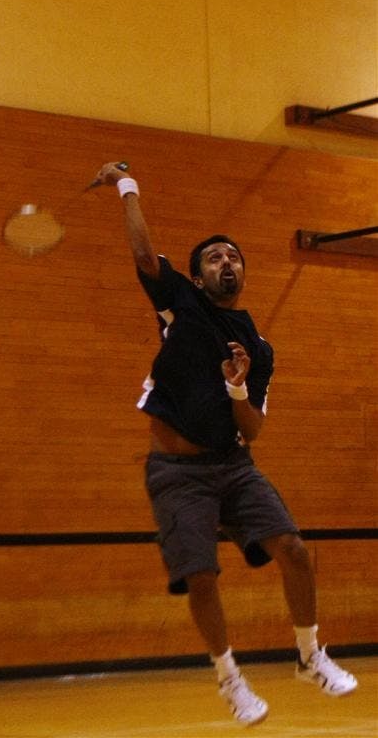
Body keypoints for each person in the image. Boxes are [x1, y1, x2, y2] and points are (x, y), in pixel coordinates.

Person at [94, 162, 358, 727]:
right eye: (213, 258)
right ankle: (229, 678)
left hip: (233, 465)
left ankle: (309, 656)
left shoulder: (258, 349)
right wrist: (125, 185)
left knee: (293, 549)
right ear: (196, 278)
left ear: (243, 271)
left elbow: (253, 428)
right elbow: (142, 254)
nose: (226, 262)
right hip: (176, 471)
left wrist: (237, 385)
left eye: (233, 256)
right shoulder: (180, 305)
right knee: (202, 575)